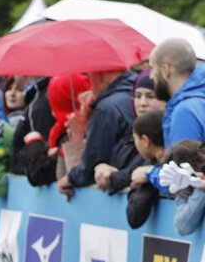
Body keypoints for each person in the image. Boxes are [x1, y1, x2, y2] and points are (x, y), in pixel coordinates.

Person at [57, 69, 136, 199]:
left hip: (120, 193)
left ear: (99, 77)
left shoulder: (107, 109)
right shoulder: (139, 91)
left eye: (89, 77)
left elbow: (93, 163)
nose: (89, 85)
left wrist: (70, 179)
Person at [149, 38, 205, 146]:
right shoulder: (198, 100)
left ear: (166, 70)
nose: (151, 76)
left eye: (152, 68)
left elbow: (182, 162)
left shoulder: (185, 111)